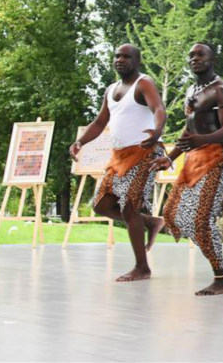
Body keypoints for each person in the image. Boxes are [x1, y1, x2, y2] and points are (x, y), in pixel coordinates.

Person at [69, 44, 166, 282]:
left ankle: (142, 267)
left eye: (126, 57)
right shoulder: (111, 89)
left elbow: (158, 108)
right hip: (119, 156)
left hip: (145, 152)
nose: (120, 60)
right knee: (101, 205)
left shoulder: (144, 83)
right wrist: (80, 142)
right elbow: (99, 122)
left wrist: (157, 130)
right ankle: (150, 222)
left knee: (129, 207)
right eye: (117, 56)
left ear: (137, 61)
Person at [150, 43, 223, 296]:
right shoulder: (192, 90)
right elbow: (189, 129)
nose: (195, 58)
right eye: (191, 55)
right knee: (173, 213)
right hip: (195, 158)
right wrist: (170, 158)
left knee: (200, 219)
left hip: (219, 157)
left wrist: (202, 140)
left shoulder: (221, 90)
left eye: (201, 54)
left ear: (213, 59)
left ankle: (221, 278)